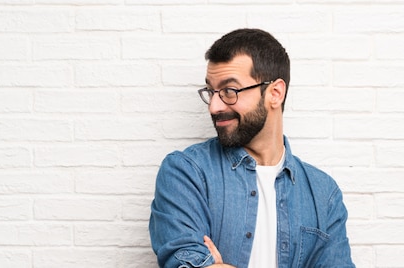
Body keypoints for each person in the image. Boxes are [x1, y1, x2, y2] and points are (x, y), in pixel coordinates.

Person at [149, 28, 355, 268]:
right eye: (211, 91)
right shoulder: (186, 173)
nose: (214, 106)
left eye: (229, 91)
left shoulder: (323, 194)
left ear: (275, 93)